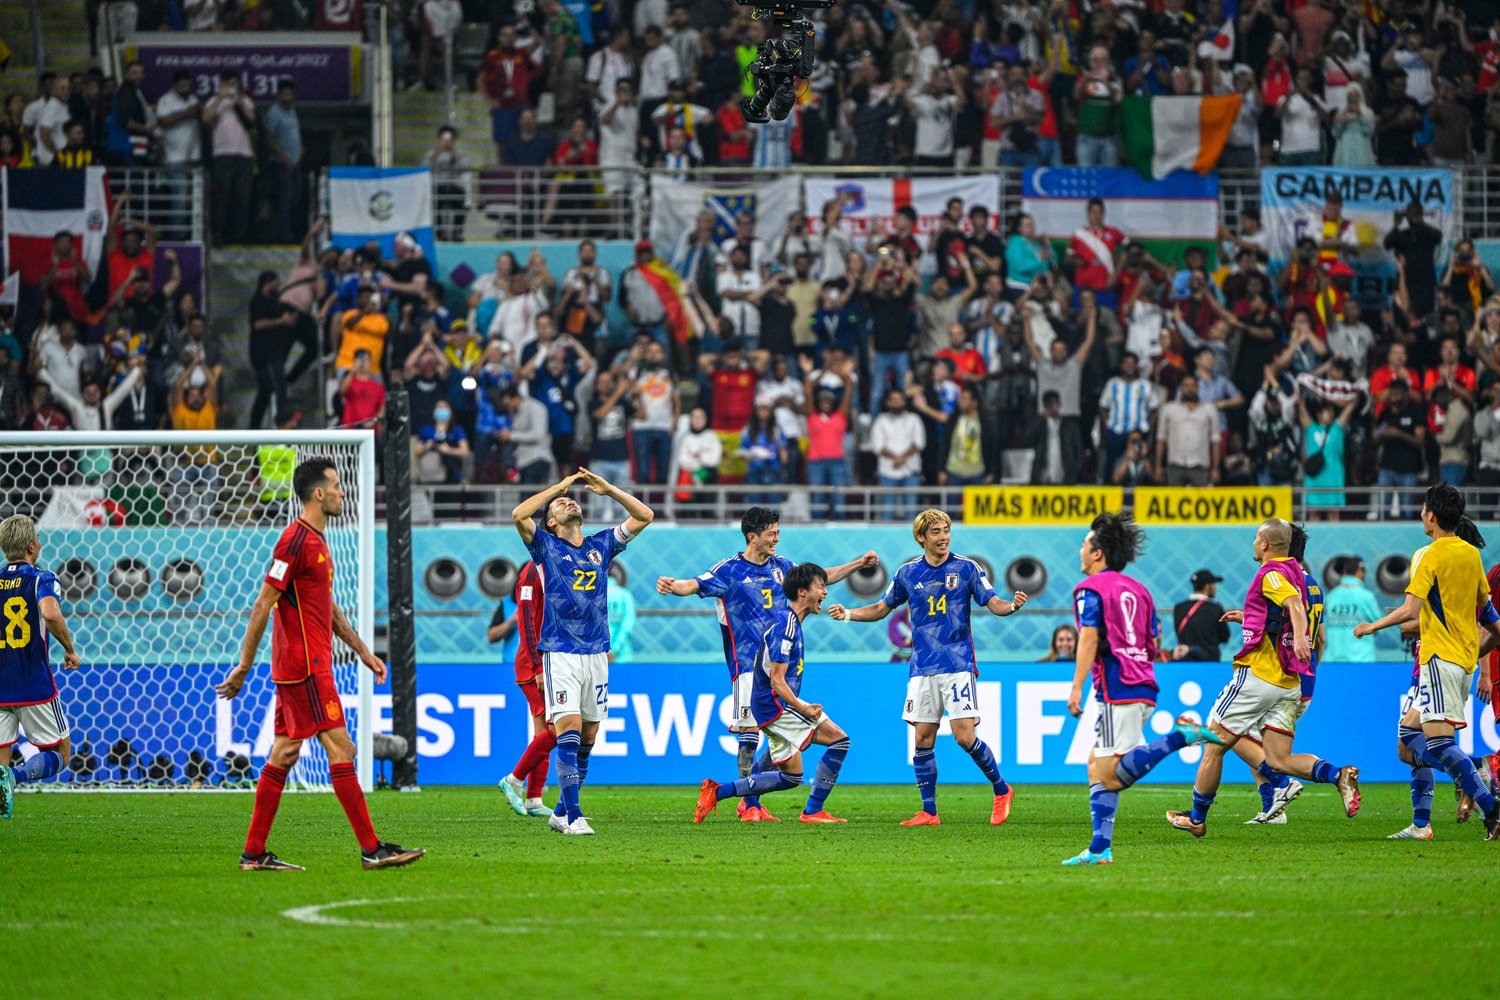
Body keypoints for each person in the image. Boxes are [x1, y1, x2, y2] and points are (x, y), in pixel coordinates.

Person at [215, 459, 424, 871]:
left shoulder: (316, 541)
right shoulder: (294, 542)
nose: (342, 493)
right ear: (318, 494)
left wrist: (363, 651)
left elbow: (325, 608)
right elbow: (263, 603)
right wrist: (243, 664)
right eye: (336, 486)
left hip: (304, 665)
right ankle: (371, 849)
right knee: (342, 748)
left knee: (284, 752)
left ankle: (253, 854)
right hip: (306, 667)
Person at [657, 507, 875, 822]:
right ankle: (751, 805)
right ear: (752, 536)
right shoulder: (729, 570)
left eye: (777, 532)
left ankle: (745, 800)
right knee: (750, 738)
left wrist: (857, 564)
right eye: (771, 533)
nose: (776, 538)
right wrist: (672, 585)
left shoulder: (783, 567)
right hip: (748, 666)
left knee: (782, 761)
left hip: (779, 667)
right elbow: (693, 584)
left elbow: (817, 579)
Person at [829, 509, 1026, 827]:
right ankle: (929, 812)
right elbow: (881, 608)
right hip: (922, 667)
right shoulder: (908, 573)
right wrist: (849, 614)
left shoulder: (966, 568)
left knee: (964, 737)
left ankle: (1002, 790)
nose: (944, 536)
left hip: (957, 664)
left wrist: (1013, 605)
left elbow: (993, 603)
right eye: (936, 531)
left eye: (946, 529)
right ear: (921, 537)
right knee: (922, 738)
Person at [1166, 519, 1359, 838]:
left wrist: (1299, 638)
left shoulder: (1271, 572)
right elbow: (1287, 615)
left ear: (1266, 544)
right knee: (1279, 759)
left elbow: (1293, 607)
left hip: (1259, 675)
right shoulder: (1302, 576)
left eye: (1257, 538)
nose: (1254, 543)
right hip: (1290, 682)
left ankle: (1197, 818)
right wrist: (1252, 618)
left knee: (1213, 744)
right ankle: (1338, 775)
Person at [1062, 512, 1223, 865]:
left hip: (1117, 687)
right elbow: (1152, 643)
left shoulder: (1088, 589)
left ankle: (1180, 736)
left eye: (1085, 544)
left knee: (1110, 775)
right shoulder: (1141, 590)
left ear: (1098, 553)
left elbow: (1088, 637)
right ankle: (1099, 848)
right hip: (1144, 682)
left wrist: (1076, 689)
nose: (1081, 550)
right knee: (1096, 766)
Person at [1353, 484, 1500, 839]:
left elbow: (1410, 609)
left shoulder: (1431, 555)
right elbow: (1489, 615)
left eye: (1422, 508)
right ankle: (1427, 822)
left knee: (1437, 745)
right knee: (1409, 735)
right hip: (1463, 662)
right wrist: (1482, 648)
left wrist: (1373, 625)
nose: (1421, 513)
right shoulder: (1470, 555)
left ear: (1430, 516)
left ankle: (1485, 795)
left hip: (1437, 659)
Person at [511, 469, 653, 835]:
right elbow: (518, 515)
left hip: (597, 653)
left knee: (588, 737)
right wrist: (555, 487)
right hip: (560, 652)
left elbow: (644, 516)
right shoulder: (544, 547)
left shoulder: (601, 545)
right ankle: (574, 816)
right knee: (569, 729)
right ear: (552, 522)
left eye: (570, 498)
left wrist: (609, 490)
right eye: (561, 503)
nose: (569, 500)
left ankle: (560, 810)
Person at [693, 563, 852, 825]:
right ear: (802, 592)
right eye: (820, 587)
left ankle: (717, 792)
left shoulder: (790, 622)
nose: (825, 592)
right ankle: (812, 811)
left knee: (791, 777)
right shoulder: (785, 626)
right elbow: (777, 681)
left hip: (772, 704)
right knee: (840, 741)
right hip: (774, 705)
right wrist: (803, 709)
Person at [0, 516, 82, 819]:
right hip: (33, 684)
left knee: (1, 761)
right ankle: (17, 778)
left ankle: (6, 781)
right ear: (33, 546)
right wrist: (70, 649)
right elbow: (49, 612)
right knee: (61, 753)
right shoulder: (41, 577)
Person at [495, 561, 554, 818]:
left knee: (544, 732)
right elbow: (527, 623)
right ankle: (514, 779)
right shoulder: (532, 571)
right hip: (535, 665)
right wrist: (538, 665)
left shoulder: (556, 564)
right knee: (558, 728)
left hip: (551, 660)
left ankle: (534, 798)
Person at [1321, 557, 1383, 663]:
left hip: (1333, 659)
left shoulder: (1331, 596)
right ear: (1359, 572)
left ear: (1345, 572)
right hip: (1362, 660)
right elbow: (1380, 626)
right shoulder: (1366, 596)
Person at [1173, 570, 1229, 662]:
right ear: (1207, 587)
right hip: (1210, 662)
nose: (1215, 588)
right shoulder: (1215, 608)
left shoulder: (1178, 608)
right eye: (1214, 584)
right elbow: (1225, 637)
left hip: (1185, 662)